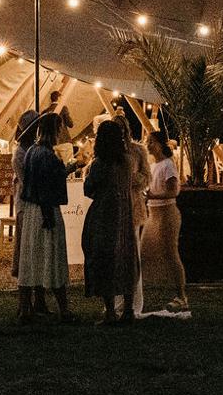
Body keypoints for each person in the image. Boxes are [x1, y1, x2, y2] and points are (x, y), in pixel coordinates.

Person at [13, 115, 73, 322]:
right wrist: (71, 167)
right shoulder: (47, 155)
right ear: (55, 130)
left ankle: (25, 308)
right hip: (45, 210)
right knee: (53, 256)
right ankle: (64, 310)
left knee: (30, 257)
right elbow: (49, 184)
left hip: (32, 210)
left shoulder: (31, 151)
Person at [82, 119, 141, 325]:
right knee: (125, 257)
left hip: (104, 214)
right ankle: (128, 310)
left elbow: (88, 188)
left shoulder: (100, 164)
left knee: (104, 257)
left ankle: (110, 312)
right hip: (124, 213)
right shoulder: (127, 162)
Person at [141, 133, 188, 312]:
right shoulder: (153, 166)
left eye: (151, 142)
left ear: (160, 144)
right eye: (147, 142)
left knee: (170, 253)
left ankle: (181, 296)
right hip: (153, 214)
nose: (148, 145)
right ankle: (140, 295)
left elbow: (173, 191)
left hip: (167, 213)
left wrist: (152, 195)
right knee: (143, 252)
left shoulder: (168, 164)